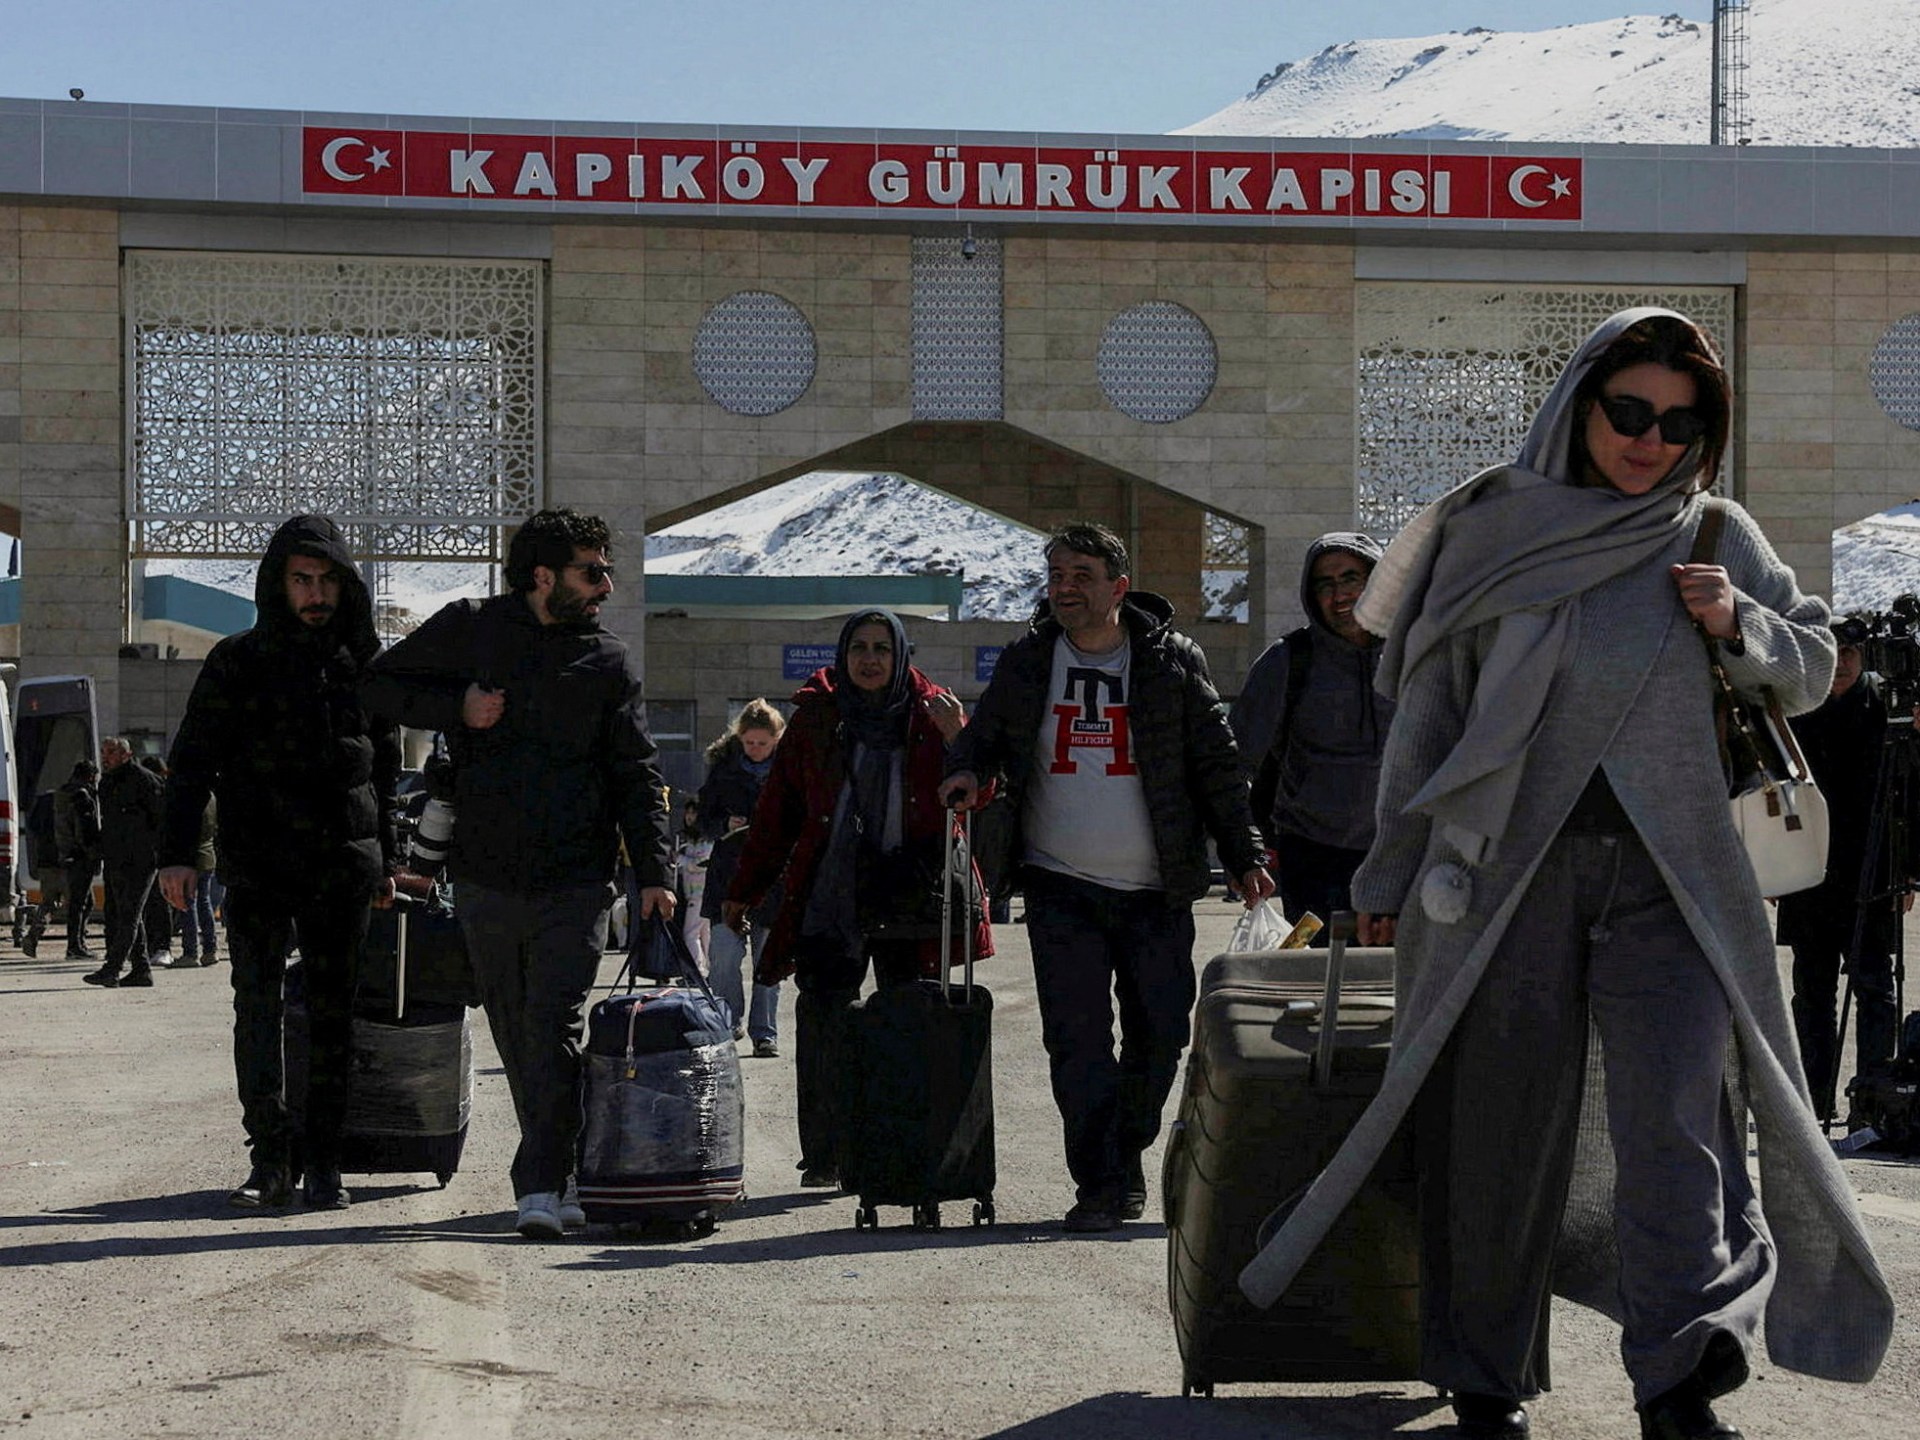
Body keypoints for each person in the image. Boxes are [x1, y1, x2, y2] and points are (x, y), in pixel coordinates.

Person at [1242, 310, 1892, 1440]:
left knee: (1678, 1135)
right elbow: (1428, 713)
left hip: (1673, 884)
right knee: (1494, 1134)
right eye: (1629, 411)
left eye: (1679, 424)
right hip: (1501, 879)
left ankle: (1678, 1382)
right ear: (1579, 405)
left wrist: (1738, 621)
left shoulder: (1714, 531)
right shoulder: (1491, 526)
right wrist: (1387, 873)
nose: (1650, 440)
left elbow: (1814, 664)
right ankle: (1485, 1383)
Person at [941, 524, 1272, 1233]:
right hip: (1060, 885)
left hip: (1156, 888)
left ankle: (1124, 1152)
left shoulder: (1171, 660)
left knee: (1161, 1034)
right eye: (1057, 575)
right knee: (1078, 1042)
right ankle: (1100, 1183)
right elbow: (984, 736)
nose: (1065, 588)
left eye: (1082, 576)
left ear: (1119, 587)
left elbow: (1216, 764)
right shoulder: (1029, 661)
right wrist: (964, 770)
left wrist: (1245, 854)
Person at [362, 507, 675, 1241]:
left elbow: (636, 771)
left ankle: (542, 1181)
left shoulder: (608, 661)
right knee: (514, 1027)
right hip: (486, 875)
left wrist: (654, 871)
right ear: (542, 576)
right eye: (591, 573)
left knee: (554, 1022)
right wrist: (458, 707)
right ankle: (562, 1167)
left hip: (577, 877)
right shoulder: (472, 627)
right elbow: (377, 686)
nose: (605, 587)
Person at [159, 515, 401, 1211]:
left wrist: (386, 858)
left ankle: (323, 1163)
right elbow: (191, 763)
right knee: (257, 1009)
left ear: (344, 585)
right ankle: (269, 1160)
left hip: (342, 864)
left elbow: (385, 770)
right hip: (260, 861)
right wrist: (177, 855)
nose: (315, 594)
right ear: (278, 584)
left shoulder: (364, 665)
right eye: (302, 580)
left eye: (326, 580)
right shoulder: (236, 661)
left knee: (333, 1017)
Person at [726, 609, 988, 1188]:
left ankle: (899, 1150)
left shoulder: (933, 712)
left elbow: (982, 793)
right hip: (831, 894)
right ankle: (826, 1155)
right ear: (843, 657)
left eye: (881, 649)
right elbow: (777, 814)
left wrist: (959, 738)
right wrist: (744, 890)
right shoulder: (818, 718)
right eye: (859, 649)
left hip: (911, 895)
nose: (870, 659)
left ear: (901, 656)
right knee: (824, 1022)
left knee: (906, 1021)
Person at [1778, 632, 1910, 1128]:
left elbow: (1909, 794)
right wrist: (1771, 865)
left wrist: (1905, 872)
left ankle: (1870, 1102)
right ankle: (1814, 1101)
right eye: (1832, 651)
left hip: (1872, 873)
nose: (1840, 663)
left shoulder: (1886, 712)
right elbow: (1771, 791)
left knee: (1874, 987)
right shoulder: (1796, 707)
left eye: (1850, 652)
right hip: (1809, 872)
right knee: (1812, 993)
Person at [1229, 532, 1392, 933]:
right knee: (1315, 969)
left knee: (1401, 971)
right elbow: (1232, 764)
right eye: (1325, 584)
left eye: (1351, 579)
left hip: (1403, 859)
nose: (1340, 595)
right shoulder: (1287, 661)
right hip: (1311, 862)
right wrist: (1241, 852)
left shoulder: (1415, 655)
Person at [699, 699, 787, 1056]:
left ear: (777, 739)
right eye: (749, 742)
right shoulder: (723, 769)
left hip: (774, 879)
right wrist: (724, 824)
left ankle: (764, 1033)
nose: (755, 749)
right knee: (722, 957)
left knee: (769, 962)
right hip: (729, 877)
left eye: (762, 743)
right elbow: (702, 819)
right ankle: (728, 1020)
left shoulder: (790, 770)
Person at [83, 737, 164, 989]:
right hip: (116, 858)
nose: (105, 757)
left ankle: (113, 968)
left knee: (130, 914)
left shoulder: (144, 780)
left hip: (142, 858)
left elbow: (161, 819)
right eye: (104, 752)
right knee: (127, 914)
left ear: (126, 754)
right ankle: (141, 970)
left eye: (111, 752)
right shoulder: (107, 783)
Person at [27, 760, 101, 960]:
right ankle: (76, 944)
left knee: (50, 902)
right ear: (90, 777)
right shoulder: (81, 797)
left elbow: (33, 828)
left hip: (49, 859)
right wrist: (94, 854)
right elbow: (85, 831)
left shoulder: (53, 797)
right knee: (82, 903)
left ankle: (34, 937)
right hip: (74, 858)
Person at [137, 755, 177, 968]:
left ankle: (158, 946)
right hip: (158, 855)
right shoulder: (164, 792)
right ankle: (159, 946)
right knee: (158, 903)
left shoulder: (152, 792)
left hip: (152, 855)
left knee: (155, 903)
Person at [177, 797, 220, 967]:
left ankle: (190, 952)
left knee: (188, 904)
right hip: (208, 856)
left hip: (191, 858)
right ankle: (210, 950)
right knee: (204, 901)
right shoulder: (211, 799)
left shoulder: (188, 798)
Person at [673, 800, 713, 973]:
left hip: (699, 892)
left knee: (690, 933)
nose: (689, 817)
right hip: (695, 892)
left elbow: (702, 864)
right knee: (704, 933)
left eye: (693, 813)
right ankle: (710, 970)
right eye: (687, 813)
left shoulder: (707, 840)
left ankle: (696, 971)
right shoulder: (690, 840)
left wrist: (680, 859)